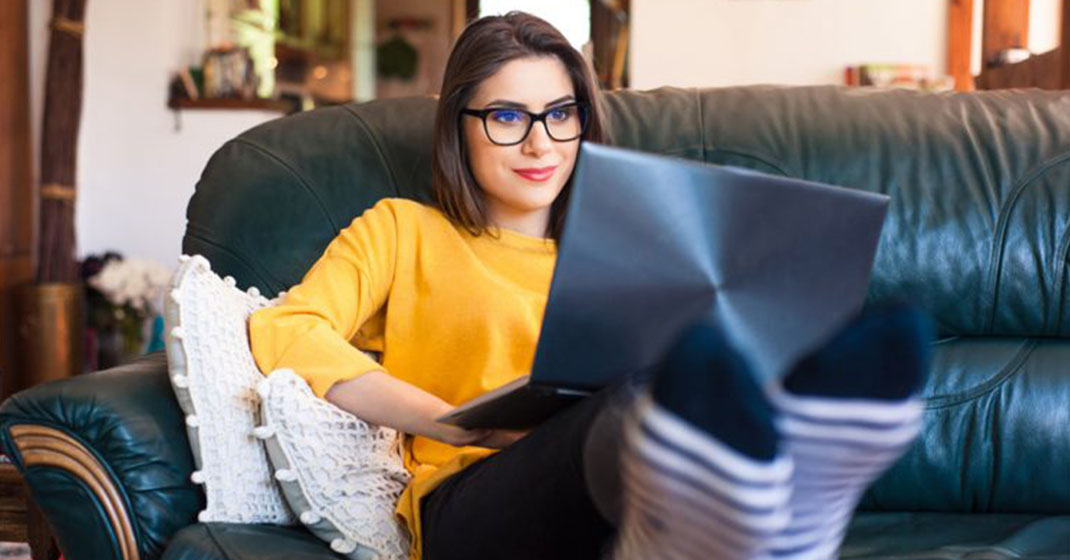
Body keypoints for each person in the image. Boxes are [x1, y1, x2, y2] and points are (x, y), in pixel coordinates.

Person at [248, 11, 932, 560]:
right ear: (459, 127)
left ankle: (750, 518)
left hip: (630, 496)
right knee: (644, 400)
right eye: (508, 117)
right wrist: (460, 429)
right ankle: (765, 521)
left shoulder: (639, 247)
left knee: (688, 384)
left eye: (561, 114)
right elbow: (287, 330)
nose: (542, 144)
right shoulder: (402, 231)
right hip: (471, 506)